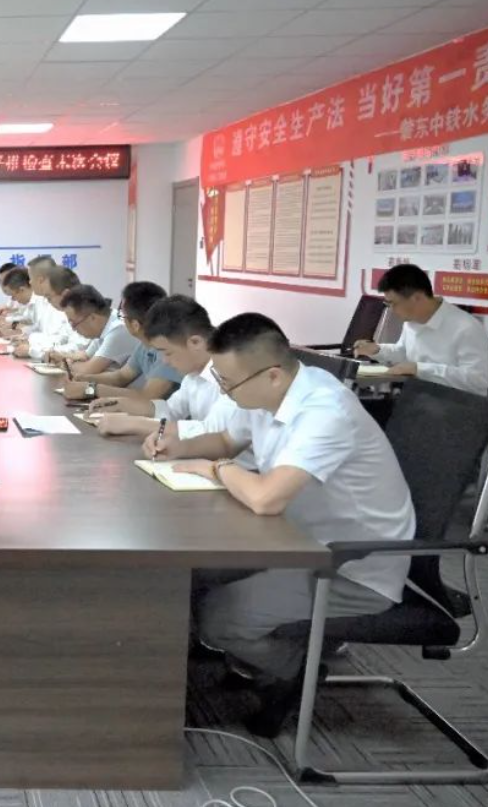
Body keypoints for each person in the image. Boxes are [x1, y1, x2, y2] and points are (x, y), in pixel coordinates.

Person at [146, 313, 414, 736]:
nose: (224, 392)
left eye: (228, 383)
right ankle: (246, 658)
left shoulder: (324, 411)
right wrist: (178, 446)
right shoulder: (266, 393)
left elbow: (266, 498)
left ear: (271, 375)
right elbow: (226, 440)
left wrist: (215, 468)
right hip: (293, 540)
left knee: (219, 618)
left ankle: (296, 669)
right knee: (190, 577)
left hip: (349, 565)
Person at [90, 295, 232, 439]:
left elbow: (215, 433)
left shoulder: (230, 374)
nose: (165, 361)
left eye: (167, 353)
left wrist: (136, 424)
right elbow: (170, 410)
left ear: (195, 342)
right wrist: (121, 404)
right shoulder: (193, 375)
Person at [353, 263, 488, 395]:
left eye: (393, 303)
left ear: (417, 298)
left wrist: (418, 369)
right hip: (419, 397)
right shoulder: (411, 321)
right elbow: (403, 353)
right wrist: (377, 350)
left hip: (458, 404)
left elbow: (478, 380)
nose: (391, 310)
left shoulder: (467, 327)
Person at [65, 282, 181, 400]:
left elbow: (146, 397)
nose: (121, 320)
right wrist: (85, 379)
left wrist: (90, 389)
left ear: (135, 325)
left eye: (122, 316)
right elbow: (120, 377)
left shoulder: (169, 349)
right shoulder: (144, 344)